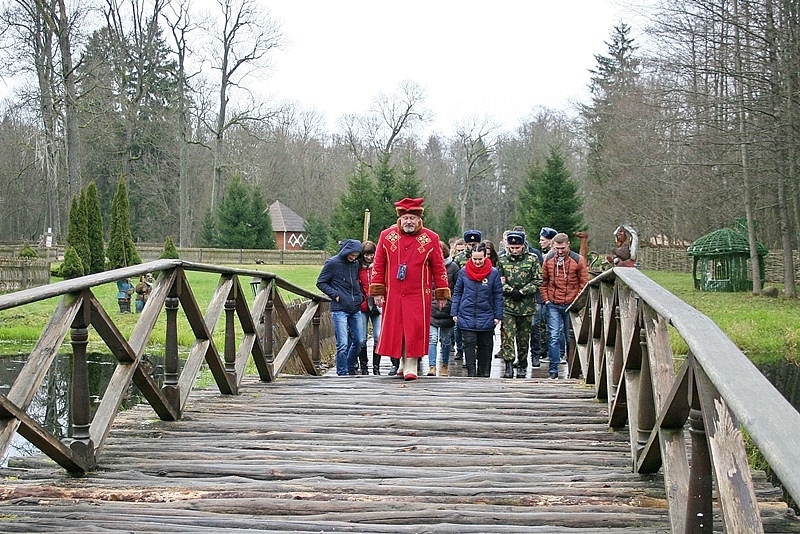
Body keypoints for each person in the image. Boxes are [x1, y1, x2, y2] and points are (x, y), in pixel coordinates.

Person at [369, 198, 450, 381]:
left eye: (412, 218)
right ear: (400, 218)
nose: (408, 222)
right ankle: (402, 363)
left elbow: (439, 267)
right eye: (406, 218)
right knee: (397, 328)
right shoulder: (386, 236)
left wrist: (442, 291)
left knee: (413, 328)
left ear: (419, 219)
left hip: (419, 294)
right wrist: (377, 291)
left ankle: (411, 364)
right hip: (394, 292)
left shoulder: (431, 238)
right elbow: (378, 265)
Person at [451, 242, 503, 377]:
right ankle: (471, 374)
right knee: (468, 345)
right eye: (475, 259)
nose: (477, 262)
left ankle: (484, 374)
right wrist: (454, 311)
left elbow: (498, 295)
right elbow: (457, 292)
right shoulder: (463, 272)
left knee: (485, 347)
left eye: (480, 259)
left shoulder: (493, 273)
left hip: (486, 315)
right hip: (467, 314)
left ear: (486, 257)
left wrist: (498, 315)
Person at [541, 233, 589, 379]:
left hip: (571, 304)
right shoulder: (548, 260)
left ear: (568, 244)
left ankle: (573, 371)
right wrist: (547, 301)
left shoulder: (578, 260)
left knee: (571, 338)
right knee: (553, 336)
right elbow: (543, 282)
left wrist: (577, 302)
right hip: (553, 304)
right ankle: (553, 370)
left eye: (562, 248)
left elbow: (584, 283)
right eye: (557, 248)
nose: (560, 251)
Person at [316, 239, 365, 376]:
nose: (353, 257)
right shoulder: (332, 263)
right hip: (340, 309)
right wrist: (335, 294)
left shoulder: (355, 264)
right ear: (346, 251)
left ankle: (350, 366)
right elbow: (321, 282)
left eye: (356, 255)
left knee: (359, 341)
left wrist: (360, 296)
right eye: (352, 254)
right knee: (342, 344)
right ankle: (342, 372)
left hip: (355, 307)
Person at [497, 231, 542, 379]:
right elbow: (498, 281)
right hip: (508, 304)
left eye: (517, 247)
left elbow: (538, 280)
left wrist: (523, 291)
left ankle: (522, 363)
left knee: (523, 338)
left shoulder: (532, 259)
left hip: (526, 305)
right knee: (508, 336)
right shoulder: (502, 260)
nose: (515, 250)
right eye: (512, 247)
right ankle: (508, 365)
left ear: (523, 246)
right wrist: (510, 291)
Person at [427, 241, 459, 377]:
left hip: (447, 309)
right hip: (431, 309)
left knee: (445, 341)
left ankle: (444, 365)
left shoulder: (453, 268)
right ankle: (432, 366)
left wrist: (454, 307)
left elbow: (457, 289)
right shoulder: (426, 267)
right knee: (432, 339)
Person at [357, 241, 384, 375]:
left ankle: (376, 367)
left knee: (378, 336)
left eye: (371, 254)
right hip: (362, 305)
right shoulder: (357, 268)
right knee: (361, 338)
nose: (369, 257)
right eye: (366, 255)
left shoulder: (378, 268)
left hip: (377, 304)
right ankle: (364, 366)